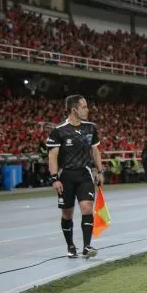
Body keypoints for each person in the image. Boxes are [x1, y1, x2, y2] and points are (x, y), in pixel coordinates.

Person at [45, 95, 103, 259]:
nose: (87, 109)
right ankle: (70, 245)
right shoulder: (59, 131)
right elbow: (52, 156)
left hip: (85, 174)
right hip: (66, 176)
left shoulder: (91, 128)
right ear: (74, 110)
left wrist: (100, 171)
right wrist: (55, 178)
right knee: (67, 214)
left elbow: (95, 151)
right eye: (84, 107)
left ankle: (86, 246)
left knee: (87, 208)